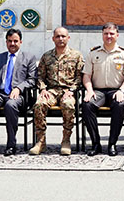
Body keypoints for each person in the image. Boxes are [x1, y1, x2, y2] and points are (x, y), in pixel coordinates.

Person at [0, 28, 37, 156]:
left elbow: (32, 80)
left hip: (18, 95)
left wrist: (19, 88)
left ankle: (11, 144)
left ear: (21, 42)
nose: (12, 44)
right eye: (10, 41)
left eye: (15, 41)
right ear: (6, 42)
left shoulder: (29, 58)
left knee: (10, 105)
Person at [29, 27, 84, 156]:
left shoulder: (76, 56)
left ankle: (66, 140)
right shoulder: (47, 56)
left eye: (63, 36)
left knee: (68, 105)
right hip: (51, 91)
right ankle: (40, 141)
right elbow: (40, 76)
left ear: (68, 38)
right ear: (53, 38)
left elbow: (80, 77)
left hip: (68, 91)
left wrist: (72, 90)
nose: (61, 39)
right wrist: (42, 89)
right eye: (58, 36)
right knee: (39, 104)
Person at [82, 22, 124, 156]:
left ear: (117, 35)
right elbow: (86, 75)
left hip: (116, 91)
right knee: (87, 105)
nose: (109, 36)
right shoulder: (93, 53)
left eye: (112, 34)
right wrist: (89, 90)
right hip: (98, 91)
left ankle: (112, 143)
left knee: (119, 105)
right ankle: (96, 144)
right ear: (102, 35)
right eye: (106, 33)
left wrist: (122, 91)